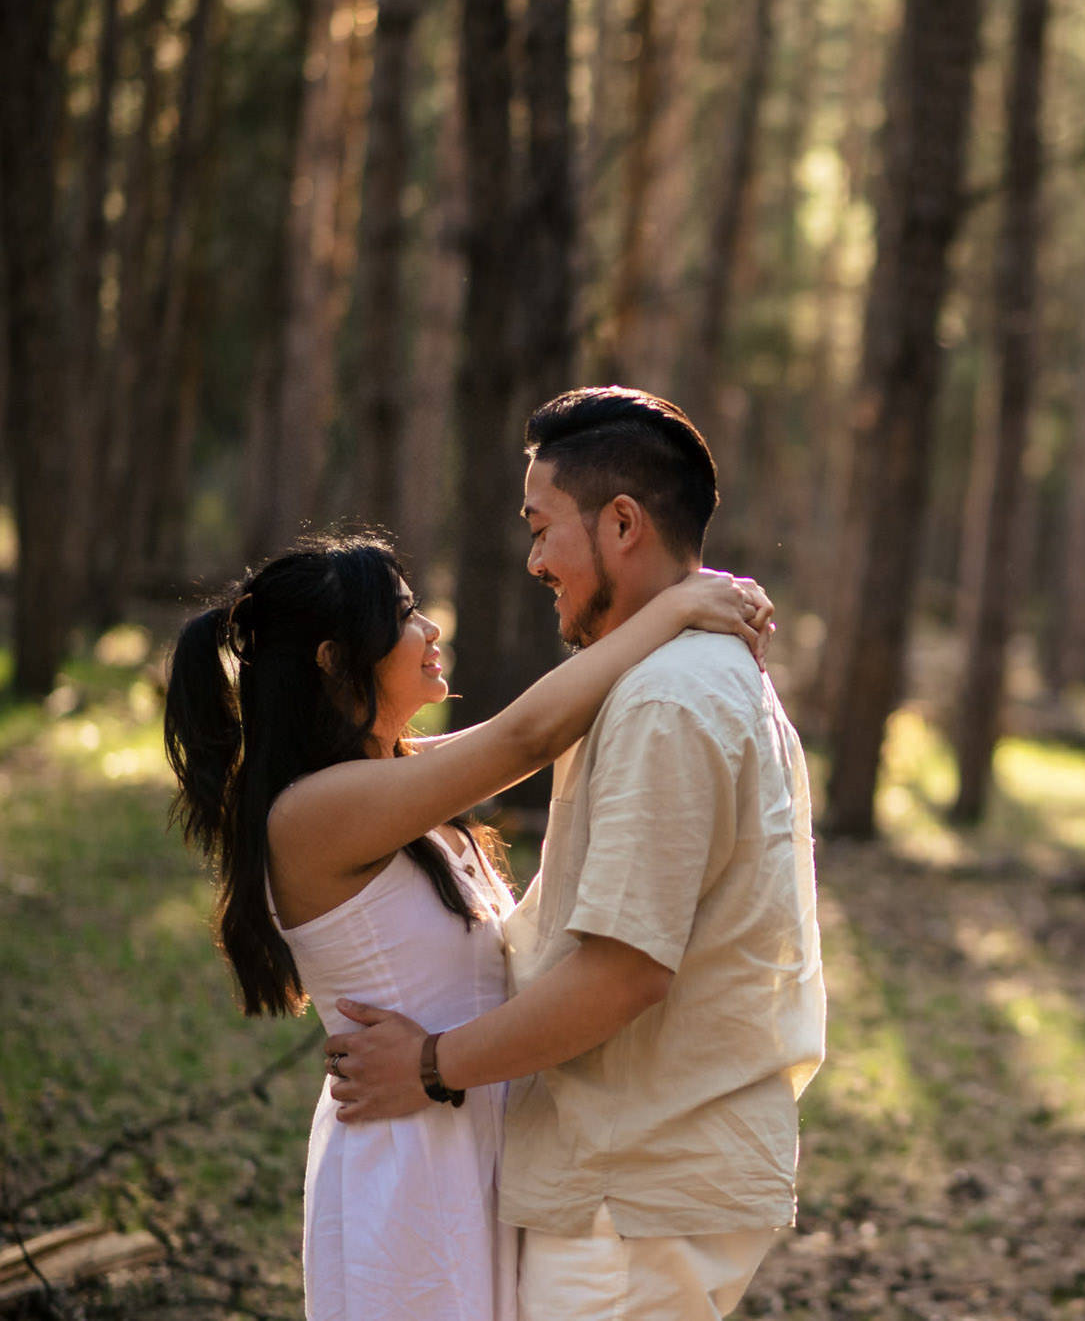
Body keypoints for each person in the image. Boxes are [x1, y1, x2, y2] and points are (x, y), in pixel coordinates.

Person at [164, 529, 774, 1321]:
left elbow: (553, 731)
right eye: (406, 614)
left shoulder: (391, 780)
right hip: (409, 1161)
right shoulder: (315, 812)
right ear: (332, 658)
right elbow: (526, 736)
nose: (431, 629)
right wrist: (681, 603)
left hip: (466, 1127)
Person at [324, 387, 828, 1321]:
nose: (533, 559)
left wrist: (431, 1064)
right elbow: (479, 755)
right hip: (634, 1172)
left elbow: (624, 972)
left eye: (542, 525)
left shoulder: (667, 701)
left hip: (635, 1184)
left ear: (623, 523)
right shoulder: (676, 674)